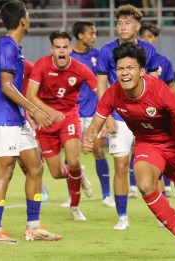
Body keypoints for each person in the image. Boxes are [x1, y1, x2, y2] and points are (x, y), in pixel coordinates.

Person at [83, 42, 175, 260]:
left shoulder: (159, 90)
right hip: (147, 143)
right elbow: (95, 124)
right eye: (120, 69)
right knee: (145, 185)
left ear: (141, 71)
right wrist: (88, 139)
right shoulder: (113, 94)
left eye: (130, 68)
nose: (124, 73)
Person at [0, 0, 60, 244]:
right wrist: (35, 110)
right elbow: (6, 86)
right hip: (4, 119)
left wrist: (26, 112)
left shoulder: (13, 47)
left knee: (35, 167)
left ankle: (34, 226)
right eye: (27, 15)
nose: (29, 18)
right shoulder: (7, 47)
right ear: (22, 20)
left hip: (16, 117)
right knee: (5, 171)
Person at [96, 4, 159, 230]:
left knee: (154, 165)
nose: (123, 27)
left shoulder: (148, 51)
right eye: (120, 22)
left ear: (138, 26)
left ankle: (162, 214)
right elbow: (101, 84)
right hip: (119, 116)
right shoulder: (106, 51)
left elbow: (154, 83)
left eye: (128, 22)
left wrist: (155, 114)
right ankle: (122, 216)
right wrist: (106, 115)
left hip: (145, 116)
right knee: (121, 165)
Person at [26, 31, 97, 221]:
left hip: (69, 117)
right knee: (57, 173)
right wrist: (49, 111)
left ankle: (75, 207)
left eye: (65, 47)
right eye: (58, 47)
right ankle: (79, 174)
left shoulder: (80, 69)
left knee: (73, 161)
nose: (62, 51)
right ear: (52, 49)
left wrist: (109, 115)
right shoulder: (41, 65)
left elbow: (100, 90)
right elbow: (30, 96)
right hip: (46, 121)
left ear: (70, 49)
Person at [0, 61, 50, 203]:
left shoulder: (26, 65)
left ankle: (34, 219)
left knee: (36, 159)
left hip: (24, 113)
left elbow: (36, 86)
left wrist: (35, 108)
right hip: (4, 118)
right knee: (8, 168)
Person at [67, 20, 115, 208]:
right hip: (73, 112)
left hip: (96, 113)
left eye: (95, 33)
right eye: (91, 33)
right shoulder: (67, 56)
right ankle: (73, 196)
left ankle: (106, 194)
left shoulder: (98, 55)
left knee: (98, 150)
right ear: (80, 35)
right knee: (71, 157)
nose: (94, 37)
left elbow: (105, 82)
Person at [134, 22, 175, 200]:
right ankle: (132, 184)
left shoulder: (164, 61)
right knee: (138, 148)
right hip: (138, 110)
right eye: (143, 36)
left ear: (156, 39)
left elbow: (171, 84)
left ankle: (166, 185)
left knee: (165, 149)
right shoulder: (133, 60)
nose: (147, 40)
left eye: (150, 37)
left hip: (160, 111)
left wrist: (174, 107)